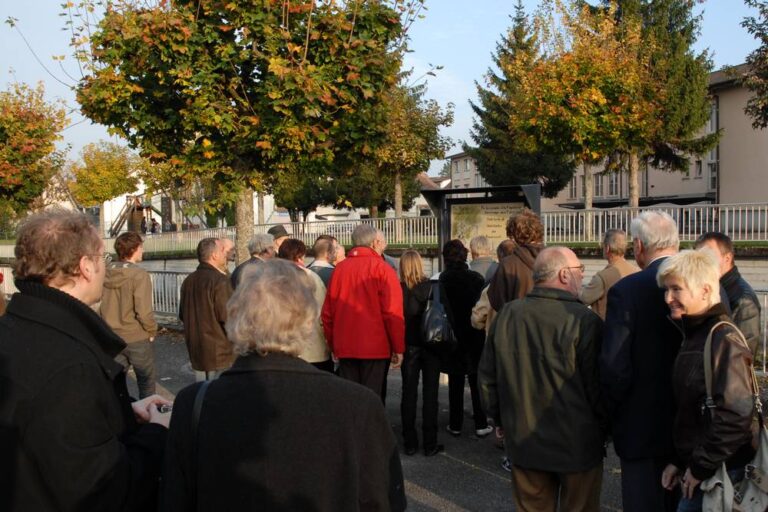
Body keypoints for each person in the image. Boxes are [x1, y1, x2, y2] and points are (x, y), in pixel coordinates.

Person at [160, 259, 406, 512]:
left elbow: (176, 498)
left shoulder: (195, 404)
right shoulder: (358, 404)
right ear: (308, 322)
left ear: (235, 318)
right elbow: (381, 499)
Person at [0, 210, 170, 512]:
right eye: (101, 259)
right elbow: (103, 489)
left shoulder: (17, 327)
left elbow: (49, 428)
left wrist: (120, 413)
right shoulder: (69, 366)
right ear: (86, 267)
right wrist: (156, 433)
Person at [479, 247, 605, 511]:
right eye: (579, 271)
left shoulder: (507, 316)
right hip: (578, 446)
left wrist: (499, 418)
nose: (582, 276)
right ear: (563, 275)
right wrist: (604, 430)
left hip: (524, 441)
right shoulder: (585, 321)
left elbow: (488, 377)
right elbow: (599, 388)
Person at [657, 250, 755, 512]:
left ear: (705, 290)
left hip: (719, 477)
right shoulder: (695, 334)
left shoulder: (722, 339)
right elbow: (693, 412)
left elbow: (735, 416)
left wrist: (699, 467)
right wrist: (679, 461)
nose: (668, 298)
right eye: (666, 290)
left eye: (676, 289)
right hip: (704, 471)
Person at [601, 210, 682, 512]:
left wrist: (613, 414)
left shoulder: (628, 290)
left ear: (638, 246)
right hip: (693, 427)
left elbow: (614, 365)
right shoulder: (709, 285)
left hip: (641, 425)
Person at [321, 224, 405, 402]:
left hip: (345, 345)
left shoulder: (339, 270)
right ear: (375, 242)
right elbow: (393, 313)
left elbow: (328, 313)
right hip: (376, 346)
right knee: (372, 398)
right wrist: (398, 347)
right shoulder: (383, 269)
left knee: (350, 400)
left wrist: (333, 343)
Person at [440, 239, 492, 438]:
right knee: (476, 380)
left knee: (455, 381)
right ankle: (480, 423)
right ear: (465, 255)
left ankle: (455, 424)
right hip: (474, 334)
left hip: (452, 335)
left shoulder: (443, 279)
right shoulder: (476, 279)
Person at [101, 231, 159, 398]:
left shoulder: (105, 272)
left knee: (115, 382)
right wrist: (151, 330)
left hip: (111, 335)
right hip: (135, 335)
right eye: (141, 248)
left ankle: (121, 416)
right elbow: (143, 310)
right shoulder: (139, 275)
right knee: (146, 381)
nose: (143, 251)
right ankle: (148, 417)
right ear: (134, 249)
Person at [399, 250, 443, 456]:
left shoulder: (399, 289)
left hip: (409, 345)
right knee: (430, 393)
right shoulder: (430, 287)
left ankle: (410, 442)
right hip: (430, 344)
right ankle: (430, 442)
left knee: (408, 392)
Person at [695, 232, 762, 356]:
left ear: (727, 258)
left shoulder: (744, 300)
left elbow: (742, 356)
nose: (702, 261)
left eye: (708, 255)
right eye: (698, 255)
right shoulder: (709, 288)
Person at [179, 238, 234, 381]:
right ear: (214, 255)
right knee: (219, 395)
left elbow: (182, 314)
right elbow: (228, 317)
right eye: (223, 250)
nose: (225, 254)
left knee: (201, 393)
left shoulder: (189, 280)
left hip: (196, 349)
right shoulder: (220, 281)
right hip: (220, 352)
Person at [277, 238, 332, 372]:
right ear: (300, 257)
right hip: (312, 348)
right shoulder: (311, 278)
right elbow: (323, 313)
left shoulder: (272, 278)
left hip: (281, 347)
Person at [487, 208, 545, 311]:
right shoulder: (557, 258)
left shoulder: (508, 264)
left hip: (518, 323)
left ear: (514, 235)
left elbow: (496, 300)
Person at [579, 229, 638, 319]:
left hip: (606, 328)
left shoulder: (602, 277)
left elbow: (583, 299)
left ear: (607, 248)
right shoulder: (636, 271)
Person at [472, 240, 518, 335]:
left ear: (500, 257)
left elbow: (477, 320)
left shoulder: (494, 286)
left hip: (498, 339)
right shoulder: (530, 279)